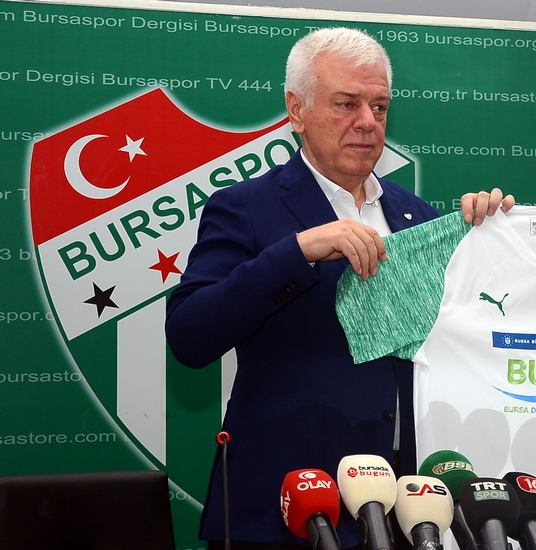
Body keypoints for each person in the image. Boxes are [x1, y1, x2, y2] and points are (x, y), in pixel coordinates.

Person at [165, 27, 517, 549]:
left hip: (408, 512)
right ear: (297, 110)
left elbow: (478, 332)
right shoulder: (245, 208)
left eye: (379, 107)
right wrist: (298, 252)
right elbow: (189, 335)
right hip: (288, 510)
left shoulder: (417, 216)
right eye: (347, 104)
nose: (367, 122)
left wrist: (497, 240)